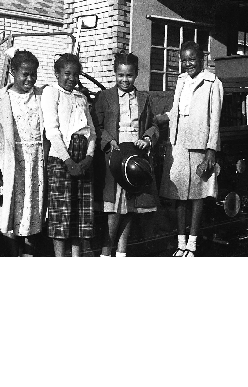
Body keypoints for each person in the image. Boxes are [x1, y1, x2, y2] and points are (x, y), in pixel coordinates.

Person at [156, 41, 224, 257]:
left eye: (191, 59)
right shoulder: (181, 81)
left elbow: (215, 121)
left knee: (197, 196)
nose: (188, 64)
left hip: (199, 146)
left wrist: (211, 151)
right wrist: (161, 118)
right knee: (178, 195)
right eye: (184, 60)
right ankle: (180, 243)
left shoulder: (213, 83)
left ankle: (192, 245)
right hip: (178, 144)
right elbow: (176, 110)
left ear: (202, 59)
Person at [92, 52, 159, 257]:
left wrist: (147, 138)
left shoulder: (144, 98)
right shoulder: (105, 97)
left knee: (131, 208)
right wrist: (108, 140)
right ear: (115, 73)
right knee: (114, 210)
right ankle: (105, 253)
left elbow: (153, 126)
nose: (124, 79)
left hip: (136, 157)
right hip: (115, 157)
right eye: (120, 75)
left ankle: (121, 253)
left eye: (129, 75)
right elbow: (97, 125)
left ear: (136, 74)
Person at [0, 49, 47, 256]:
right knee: (9, 216)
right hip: (10, 165)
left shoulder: (43, 96)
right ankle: (12, 258)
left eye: (33, 74)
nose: (30, 79)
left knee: (32, 214)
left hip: (36, 165)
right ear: (12, 72)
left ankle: (28, 257)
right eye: (25, 74)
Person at [41, 53, 96, 257]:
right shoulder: (51, 93)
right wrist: (68, 161)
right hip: (61, 156)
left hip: (82, 158)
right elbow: (52, 131)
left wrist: (89, 157)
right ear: (57, 74)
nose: (71, 78)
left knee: (79, 211)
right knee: (61, 210)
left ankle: (76, 257)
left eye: (75, 74)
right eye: (67, 74)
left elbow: (92, 131)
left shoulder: (81, 97)